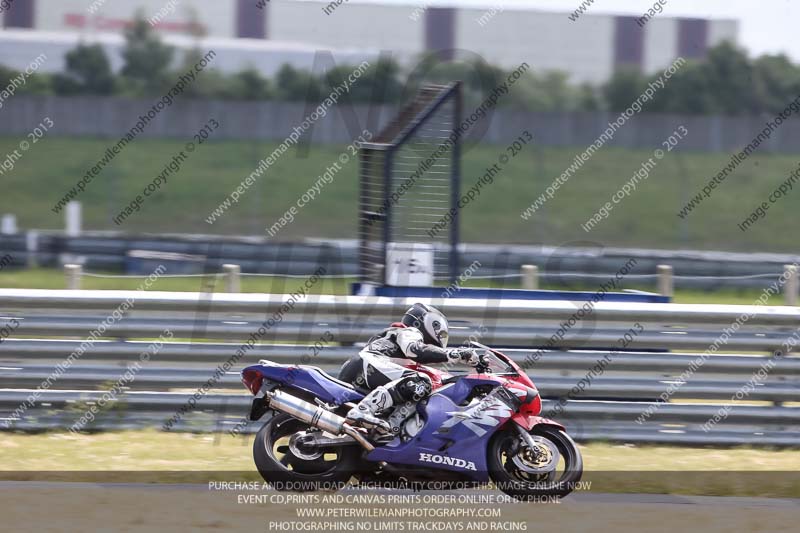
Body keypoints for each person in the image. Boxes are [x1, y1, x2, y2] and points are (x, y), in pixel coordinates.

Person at [339, 303, 484, 432]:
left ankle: (390, 428)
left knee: (418, 387)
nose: (441, 337)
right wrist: (456, 354)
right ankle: (365, 411)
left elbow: (438, 378)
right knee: (421, 381)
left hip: (362, 369)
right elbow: (415, 350)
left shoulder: (399, 352)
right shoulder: (408, 332)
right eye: (441, 332)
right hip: (367, 365)